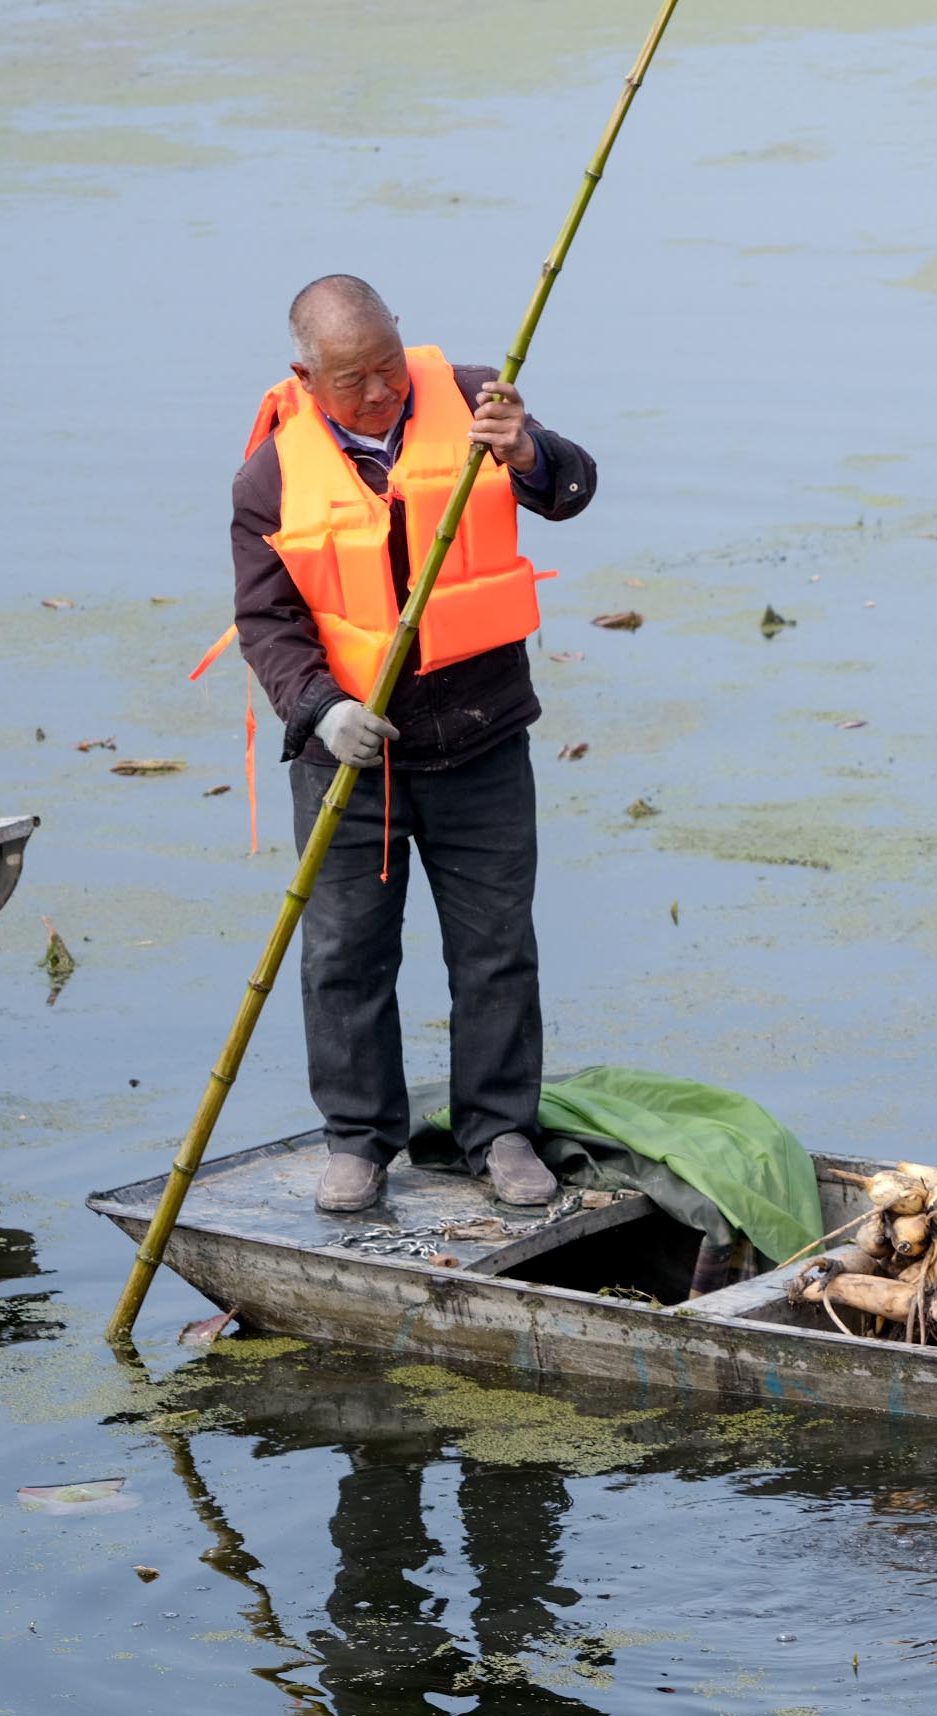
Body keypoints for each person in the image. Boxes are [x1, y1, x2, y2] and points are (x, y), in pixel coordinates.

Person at [231, 273, 600, 1218]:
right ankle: (358, 1140)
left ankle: (499, 1129)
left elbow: (571, 489)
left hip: (480, 736)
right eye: (352, 380)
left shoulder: (480, 399)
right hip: (354, 761)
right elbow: (266, 624)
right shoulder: (269, 476)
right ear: (305, 376)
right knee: (345, 957)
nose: (381, 391)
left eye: (388, 366)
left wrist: (529, 450)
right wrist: (318, 708)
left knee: (495, 948)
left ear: (404, 338)